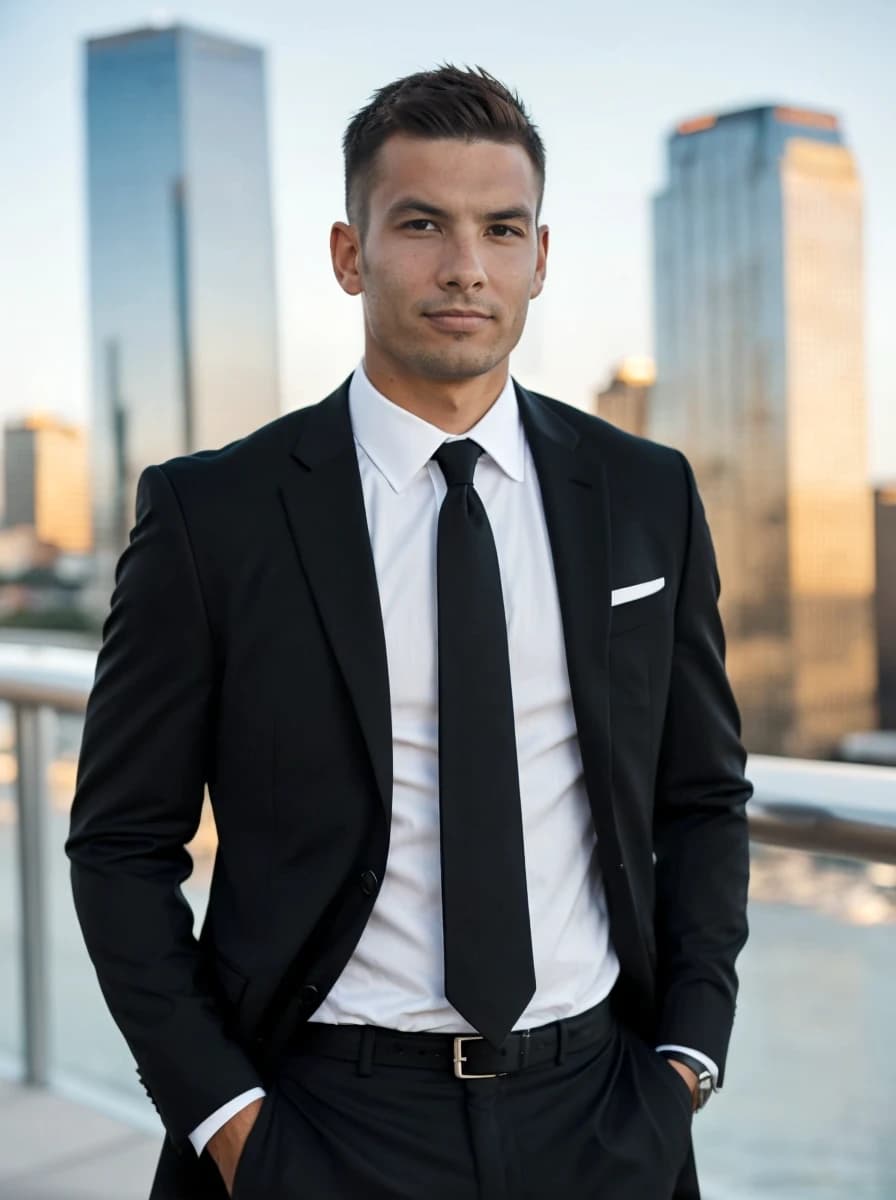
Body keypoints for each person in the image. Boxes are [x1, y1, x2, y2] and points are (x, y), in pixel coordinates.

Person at [66, 65, 751, 1200]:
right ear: (351, 253)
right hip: (321, 1119)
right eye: (421, 223)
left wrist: (686, 1057)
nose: (464, 266)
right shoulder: (214, 516)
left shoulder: (644, 493)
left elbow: (701, 796)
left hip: (598, 1111)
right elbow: (120, 847)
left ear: (540, 256)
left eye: (500, 228)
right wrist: (229, 1122)